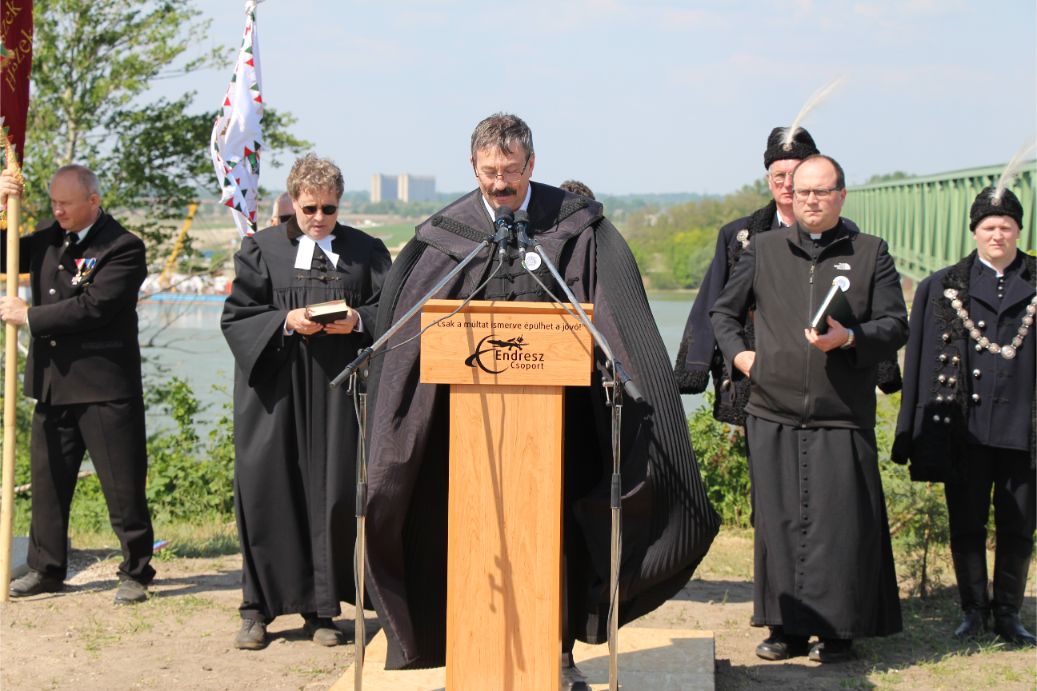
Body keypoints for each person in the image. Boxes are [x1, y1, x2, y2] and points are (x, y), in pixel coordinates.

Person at [362, 113, 719, 684]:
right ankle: (473, 652)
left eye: (510, 170)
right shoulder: (446, 234)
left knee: (560, 535)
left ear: (532, 163)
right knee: (456, 526)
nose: (499, 182)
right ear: (472, 167)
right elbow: (410, 332)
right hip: (466, 428)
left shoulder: (575, 227)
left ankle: (558, 652)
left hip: (563, 422)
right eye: (488, 171)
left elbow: (616, 318)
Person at [711, 154, 907, 663]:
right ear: (790, 196)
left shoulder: (870, 252)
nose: (812, 201)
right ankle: (785, 630)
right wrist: (743, 358)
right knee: (778, 526)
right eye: (803, 192)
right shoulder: (763, 249)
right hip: (772, 408)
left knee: (840, 527)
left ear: (841, 195)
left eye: (822, 192)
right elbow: (722, 312)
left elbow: (895, 324)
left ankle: (839, 632)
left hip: (841, 413)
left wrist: (851, 337)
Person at [220, 153, 391, 650]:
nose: (319, 218)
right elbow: (237, 317)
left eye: (329, 209)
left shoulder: (366, 251)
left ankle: (322, 611)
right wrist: (285, 322)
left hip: (338, 395)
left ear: (340, 204)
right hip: (275, 395)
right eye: (309, 208)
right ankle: (256, 609)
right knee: (268, 493)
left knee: (333, 498)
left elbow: (393, 308)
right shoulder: (260, 249)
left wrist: (357, 321)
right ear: (293, 201)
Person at [0, 165, 154, 604]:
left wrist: (29, 316)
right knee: (48, 484)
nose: (58, 210)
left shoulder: (123, 247)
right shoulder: (50, 237)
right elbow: (3, 255)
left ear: (93, 201)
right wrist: (2, 207)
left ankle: (136, 570)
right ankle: (46, 568)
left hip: (104, 386)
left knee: (122, 486)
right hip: (53, 384)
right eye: (53, 202)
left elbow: (95, 307)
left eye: (65, 203)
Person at [674, 127, 900, 424]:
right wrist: (699, 367)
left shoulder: (852, 238)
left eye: (795, 174)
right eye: (779, 175)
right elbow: (715, 305)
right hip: (757, 375)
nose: (788, 183)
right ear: (769, 180)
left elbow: (867, 307)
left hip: (828, 379)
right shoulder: (739, 237)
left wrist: (883, 368)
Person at [892, 185, 1036, 646]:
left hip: (1024, 428)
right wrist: (912, 431)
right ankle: (973, 611)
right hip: (965, 429)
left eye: (1006, 227)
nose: (998, 235)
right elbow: (919, 362)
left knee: (1018, 526)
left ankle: (1008, 614)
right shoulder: (942, 286)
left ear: (1019, 231)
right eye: (989, 227)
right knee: (967, 523)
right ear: (975, 231)